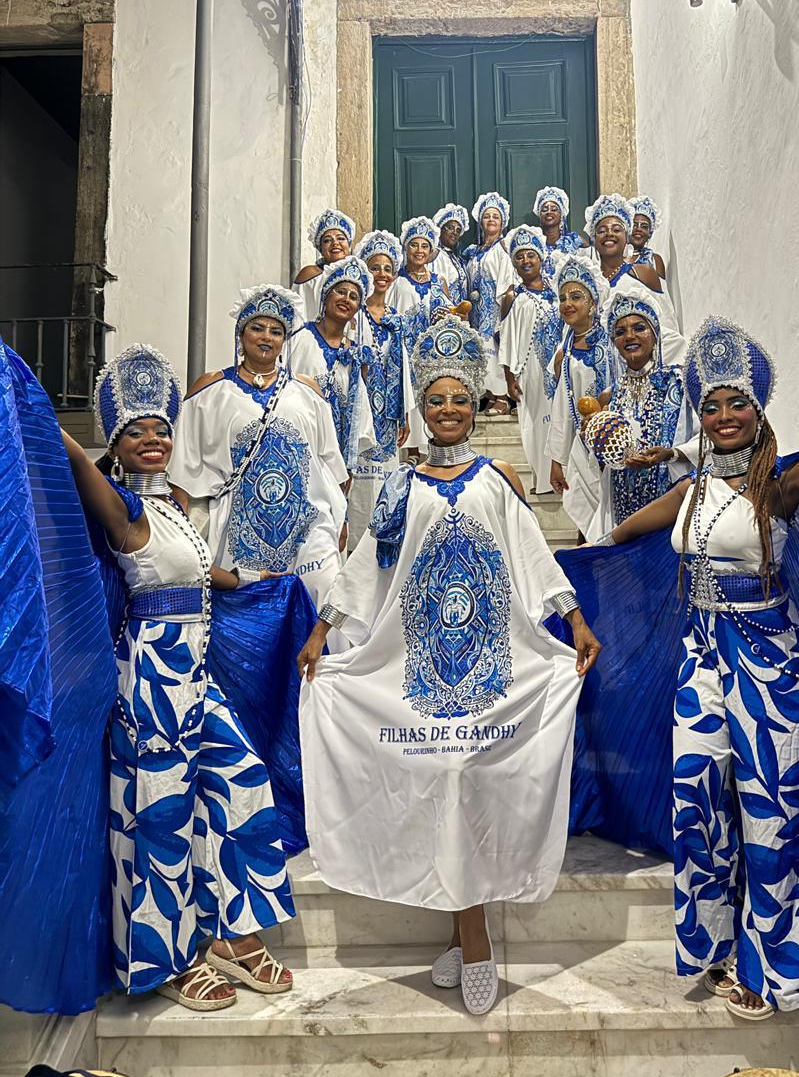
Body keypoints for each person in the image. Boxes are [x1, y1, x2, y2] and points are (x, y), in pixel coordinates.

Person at [580, 313, 799, 1022]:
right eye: (711, 405)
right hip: (701, 658)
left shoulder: (779, 487)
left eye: (736, 403)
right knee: (695, 796)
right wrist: (569, 589)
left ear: (758, 408)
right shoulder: (689, 493)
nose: (723, 416)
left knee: (774, 810)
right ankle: (711, 942)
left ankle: (775, 968)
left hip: (771, 665)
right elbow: (619, 539)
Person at [297, 316, 601, 1016]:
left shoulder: (495, 479)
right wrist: (322, 631)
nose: (449, 410)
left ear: (474, 404)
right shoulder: (399, 488)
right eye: (436, 400)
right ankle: (469, 933)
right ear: (422, 408)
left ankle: (473, 937)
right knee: (436, 774)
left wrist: (576, 621)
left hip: (490, 672)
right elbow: (364, 569)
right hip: (420, 671)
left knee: (464, 775)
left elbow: (532, 557)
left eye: (460, 399)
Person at [64, 343, 295, 1011]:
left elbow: (199, 573)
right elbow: (77, 462)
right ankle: (168, 959)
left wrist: (250, 579)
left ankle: (232, 935)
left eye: (161, 430)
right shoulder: (123, 508)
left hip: (194, 676)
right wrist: (36, 404)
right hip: (151, 682)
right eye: (136, 432)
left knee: (243, 782)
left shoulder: (171, 507)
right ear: (117, 445)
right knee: (159, 814)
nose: (153, 440)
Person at [168, 286, 348, 608]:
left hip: (308, 524)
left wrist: (342, 519)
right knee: (248, 609)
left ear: (284, 340)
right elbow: (182, 468)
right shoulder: (211, 390)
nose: (266, 337)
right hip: (237, 524)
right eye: (257, 328)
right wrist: (180, 529)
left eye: (276, 331)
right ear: (241, 334)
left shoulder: (307, 391)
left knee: (320, 594)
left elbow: (330, 464)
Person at [585, 292, 698, 536]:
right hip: (622, 506)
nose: (630, 336)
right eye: (620, 332)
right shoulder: (609, 395)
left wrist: (671, 454)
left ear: (655, 335)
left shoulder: (679, 384)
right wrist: (596, 440)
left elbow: (707, 438)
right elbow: (600, 463)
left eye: (639, 328)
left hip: (670, 507)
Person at [286, 258, 377, 481]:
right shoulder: (298, 338)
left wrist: (348, 467)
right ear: (326, 296)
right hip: (296, 445)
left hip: (334, 457)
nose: (346, 299)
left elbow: (357, 412)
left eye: (353, 297)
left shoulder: (354, 354)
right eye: (341, 292)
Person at [545, 254, 616, 540]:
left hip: (614, 445)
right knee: (587, 525)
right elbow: (562, 408)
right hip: (582, 449)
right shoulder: (565, 352)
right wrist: (557, 459)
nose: (567, 304)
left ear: (593, 302)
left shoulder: (613, 342)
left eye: (576, 297)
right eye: (563, 298)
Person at [350, 230, 413, 548]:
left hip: (388, 414)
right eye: (375, 267)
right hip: (360, 410)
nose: (382, 274)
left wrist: (405, 415)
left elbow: (404, 368)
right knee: (361, 481)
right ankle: (355, 545)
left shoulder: (396, 319)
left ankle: (384, 544)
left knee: (386, 479)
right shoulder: (354, 315)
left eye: (388, 269)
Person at [585, 193, 685, 365]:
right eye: (601, 231)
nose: (609, 234)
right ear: (593, 238)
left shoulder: (643, 274)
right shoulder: (588, 283)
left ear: (627, 236)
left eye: (616, 229)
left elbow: (666, 326)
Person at [498, 224, 562, 494]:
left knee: (560, 418)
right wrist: (509, 378)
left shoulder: (558, 291)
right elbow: (507, 338)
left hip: (559, 367)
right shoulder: (513, 297)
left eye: (531, 255)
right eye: (520, 257)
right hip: (529, 369)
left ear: (541, 258)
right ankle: (543, 480)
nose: (526, 261)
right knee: (536, 422)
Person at [391, 216, 454, 453]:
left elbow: (453, 316)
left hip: (433, 356)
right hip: (406, 352)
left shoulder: (440, 282)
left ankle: (434, 450)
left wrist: (448, 316)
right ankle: (411, 452)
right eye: (414, 245)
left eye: (425, 245)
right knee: (409, 397)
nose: (419, 250)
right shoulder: (396, 281)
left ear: (431, 250)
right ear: (406, 248)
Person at [464, 191, 513, 414]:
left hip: (494, 308)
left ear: (502, 222)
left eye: (495, 216)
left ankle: (503, 397)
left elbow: (507, 280)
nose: (491, 219)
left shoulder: (503, 248)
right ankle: (491, 395)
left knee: (496, 349)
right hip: (476, 311)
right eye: (486, 216)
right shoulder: (475, 252)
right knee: (482, 351)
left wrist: (503, 315)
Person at [292, 209, 356, 322]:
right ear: (320, 249)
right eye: (327, 240)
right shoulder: (310, 275)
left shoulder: (359, 276)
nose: (335, 243)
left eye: (341, 238)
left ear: (349, 245)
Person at [534, 185, 585, 279]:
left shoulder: (574, 241)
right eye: (544, 209)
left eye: (554, 209)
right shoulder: (534, 242)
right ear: (539, 215)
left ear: (561, 214)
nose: (549, 212)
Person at [432, 203, 470, 305]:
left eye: (458, 230)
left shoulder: (455, 258)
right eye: (450, 227)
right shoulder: (436, 255)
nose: (454, 232)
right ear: (440, 229)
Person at [627, 195, 667, 279]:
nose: (638, 229)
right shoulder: (615, 257)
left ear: (650, 233)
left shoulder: (654, 260)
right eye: (634, 225)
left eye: (644, 226)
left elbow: (661, 287)